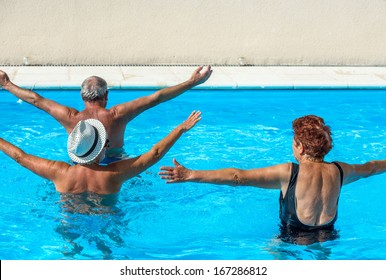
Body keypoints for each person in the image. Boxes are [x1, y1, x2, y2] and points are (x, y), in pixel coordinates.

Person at [159, 115, 386, 244]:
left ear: (300, 146)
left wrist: (191, 175)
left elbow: (238, 177)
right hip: (328, 235)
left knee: (271, 256)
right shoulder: (340, 170)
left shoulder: (290, 172)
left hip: (292, 237)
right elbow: (373, 167)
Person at [0, 66, 212, 163]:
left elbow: (36, 99)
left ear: (82, 96)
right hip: (116, 164)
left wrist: (7, 84)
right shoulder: (118, 114)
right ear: (106, 96)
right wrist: (192, 82)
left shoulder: (70, 117)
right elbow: (156, 98)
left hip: (81, 165)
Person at [0, 111, 201, 194]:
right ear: (98, 152)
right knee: (109, 251)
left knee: (69, 248)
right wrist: (180, 128)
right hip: (107, 218)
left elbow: (20, 156)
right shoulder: (114, 174)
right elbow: (155, 153)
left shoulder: (58, 172)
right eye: (104, 143)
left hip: (70, 219)